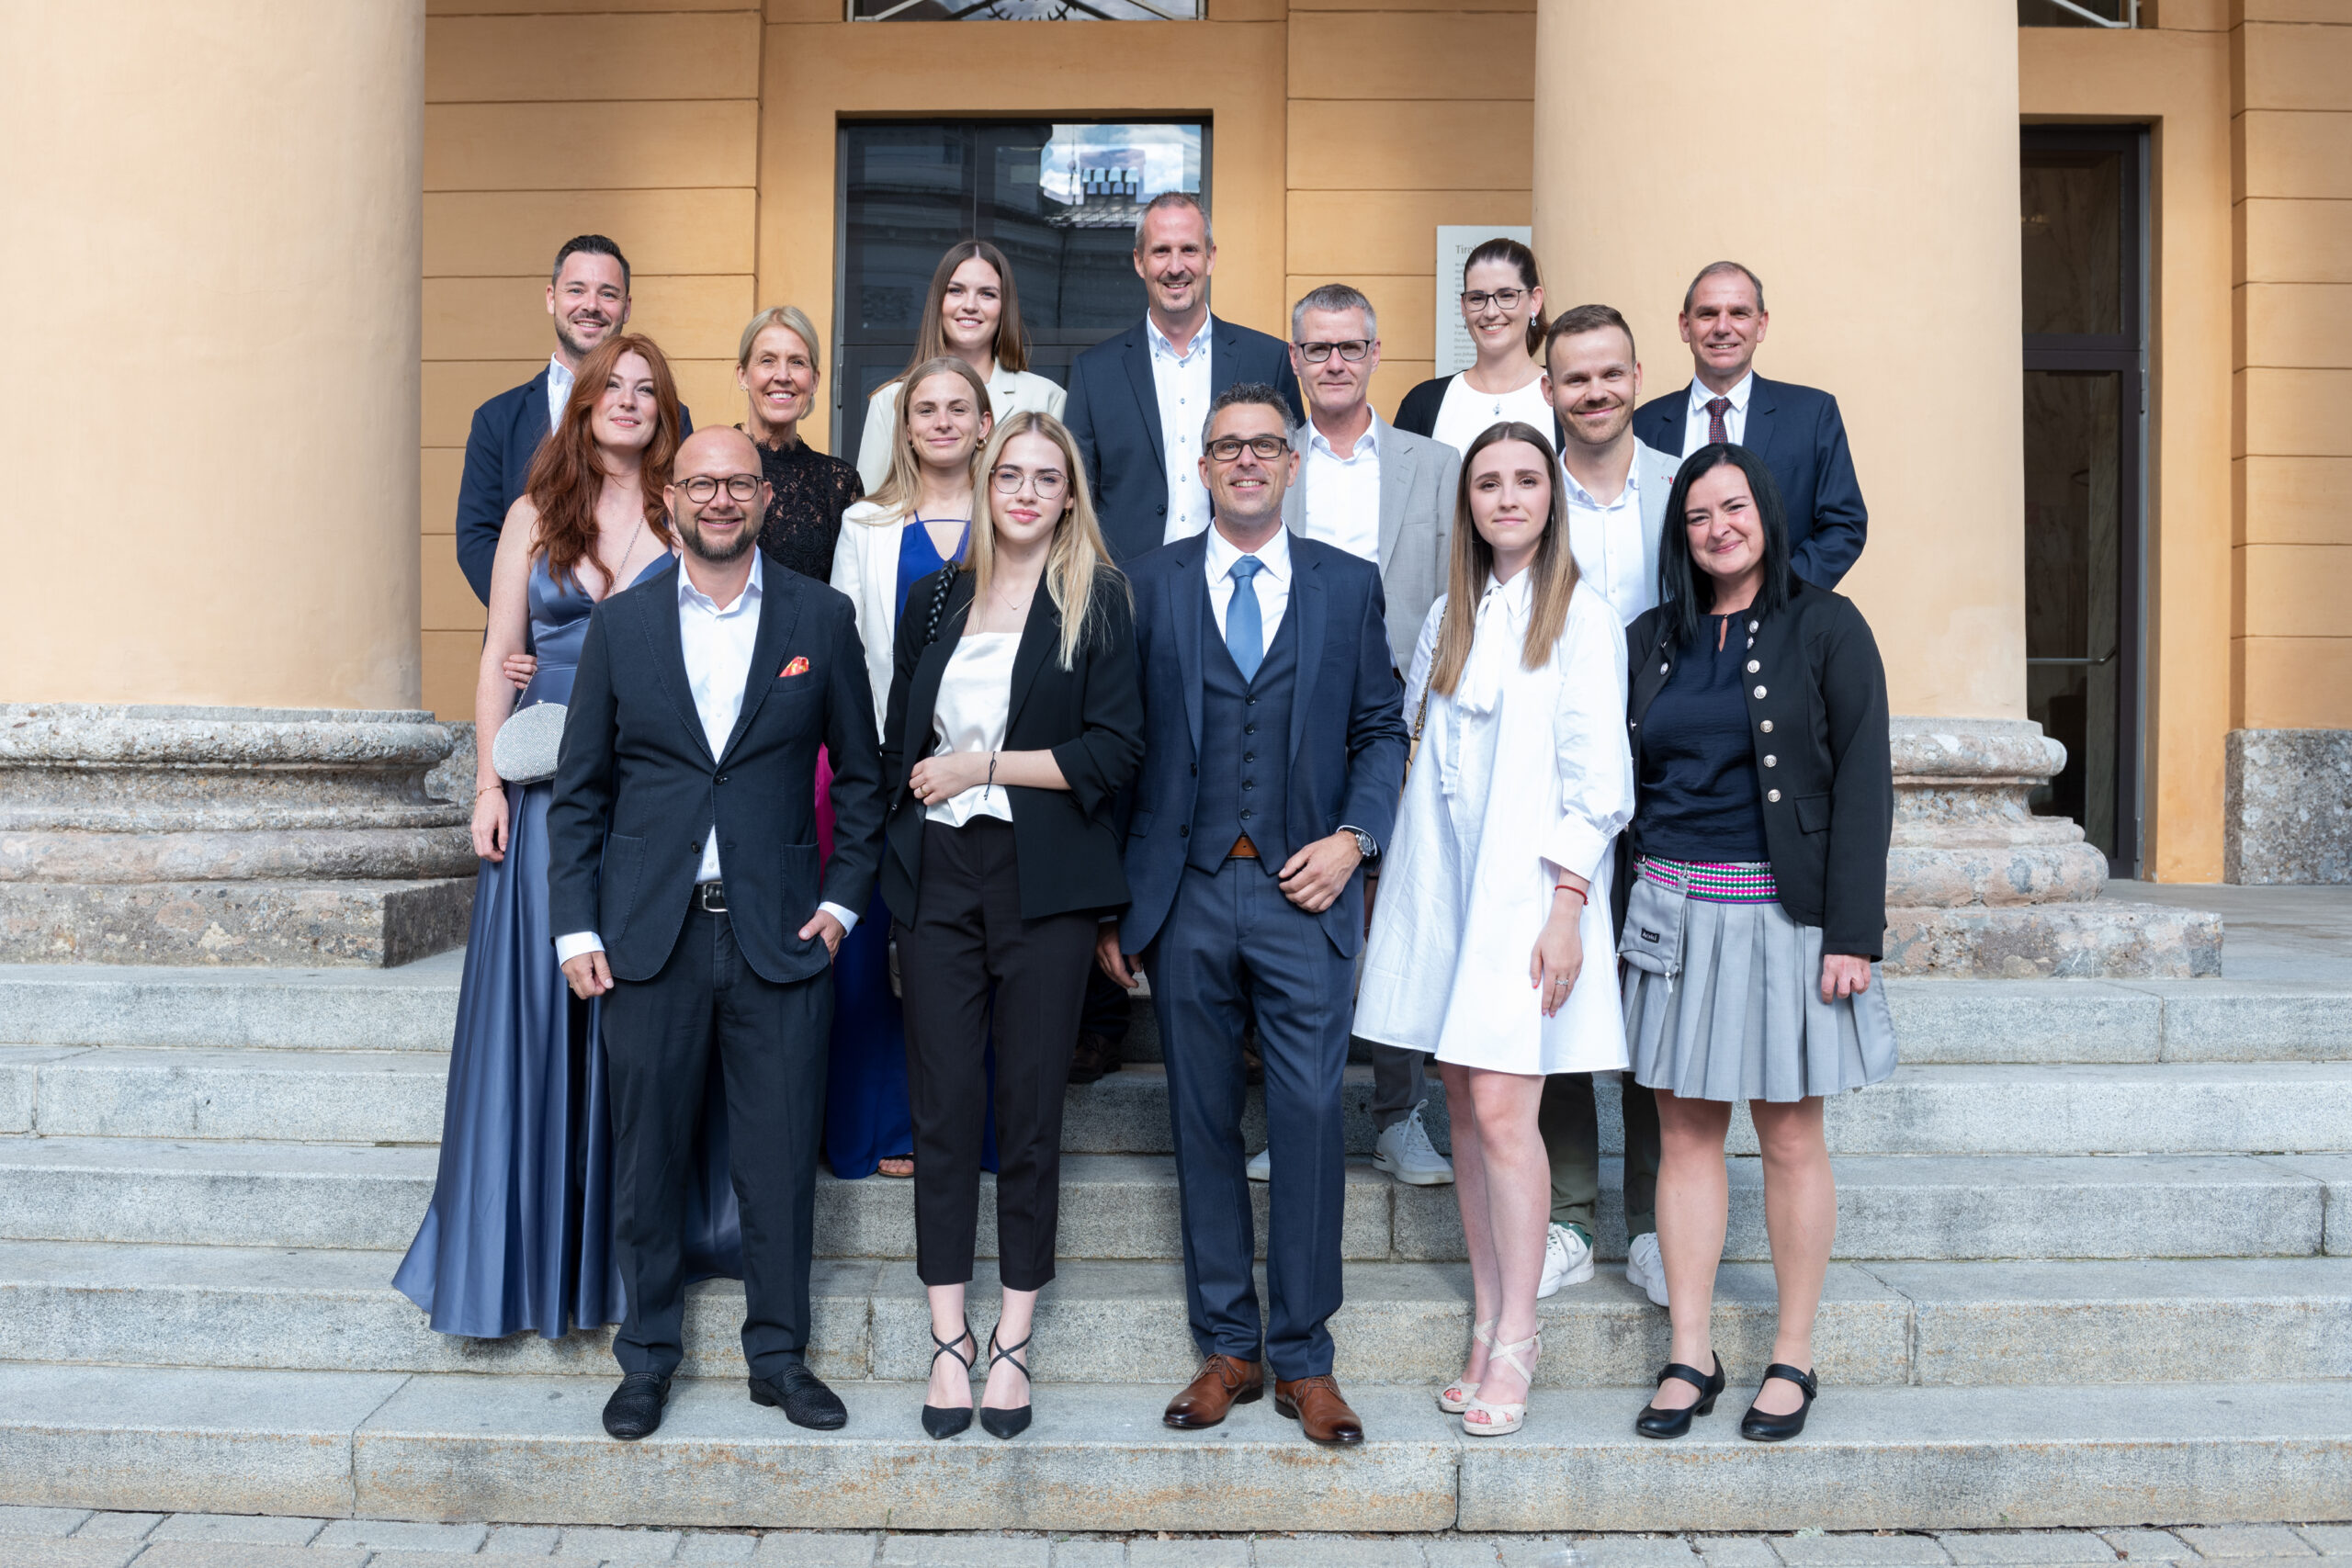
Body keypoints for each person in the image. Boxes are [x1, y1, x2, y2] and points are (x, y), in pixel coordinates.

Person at [547, 425, 888, 1443]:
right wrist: (574, 929)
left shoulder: (819, 620)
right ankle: (646, 1359)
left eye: (741, 481)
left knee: (780, 1162)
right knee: (647, 1159)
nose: (723, 498)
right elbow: (580, 795)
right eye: (703, 483)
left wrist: (840, 906)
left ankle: (778, 1357)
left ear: (765, 500)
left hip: (780, 938)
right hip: (648, 937)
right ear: (672, 499)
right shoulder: (623, 623)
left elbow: (863, 785)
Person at [397, 333, 732, 1337]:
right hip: (543, 800)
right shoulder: (534, 515)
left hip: (647, 805)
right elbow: (501, 651)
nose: (628, 401)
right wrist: (487, 783)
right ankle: (524, 1257)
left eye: (646, 390)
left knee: (631, 1031)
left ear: (663, 411)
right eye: (610, 387)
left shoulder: (685, 522)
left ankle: (624, 1263)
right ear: (582, 403)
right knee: (539, 1029)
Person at [1100, 383, 1408, 1448]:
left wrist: (1354, 841)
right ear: (1202, 466)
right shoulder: (1148, 584)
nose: (1244, 461)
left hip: (1303, 893)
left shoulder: (1345, 585)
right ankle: (1228, 1345)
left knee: (1314, 1116)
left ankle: (1306, 1358)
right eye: (1225, 446)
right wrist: (1117, 900)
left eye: (1262, 447)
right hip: (1184, 892)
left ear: (1292, 465)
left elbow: (1381, 729)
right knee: (1198, 1115)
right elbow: (1120, 746)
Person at [1357, 421, 1633, 1438]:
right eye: (1488, 484)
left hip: (1529, 901)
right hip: (1447, 898)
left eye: (1526, 481)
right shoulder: (1448, 616)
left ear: (1551, 498)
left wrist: (1568, 908)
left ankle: (1520, 1335)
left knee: (1509, 1120)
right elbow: (1424, 767)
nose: (1507, 498)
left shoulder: (1580, 617)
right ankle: (1486, 1320)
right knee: (1465, 1117)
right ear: (1467, 503)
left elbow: (1599, 781)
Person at [1619, 443, 1895, 1445]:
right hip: (1671, 915)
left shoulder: (1825, 625)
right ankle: (1689, 1350)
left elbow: (1865, 781)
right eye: (1697, 516)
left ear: (1766, 516)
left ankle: (1793, 1354)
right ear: (1679, 534)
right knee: (1686, 1137)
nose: (1717, 528)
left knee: (1787, 1135)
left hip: (1786, 919)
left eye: (1733, 507)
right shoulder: (1651, 637)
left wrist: (1851, 933)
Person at [883, 411, 1144, 1441]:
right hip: (937, 872)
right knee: (943, 1108)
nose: (1027, 491)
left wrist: (982, 765)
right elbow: (902, 731)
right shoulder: (934, 594)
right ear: (986, 486)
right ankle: (948, 1338)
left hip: (1045, 882)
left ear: (1071, 495)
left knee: (1030, 1112)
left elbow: (1113, 753)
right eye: (1011, 475)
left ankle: (1014, 1341)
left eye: (1048, 477)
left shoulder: (1098, 601)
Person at [1062, 191, 1302, 1085]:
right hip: (1128, 608)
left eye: (1188, 250)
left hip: (1236, 594)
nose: (1173, 265)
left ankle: (1241, 1013)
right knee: (1122, 785)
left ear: (1210, 255)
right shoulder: (1094, 369)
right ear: (1137, 262)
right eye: (1158, 251)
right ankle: (1102, 1009)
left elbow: (1282, 473)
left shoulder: (1263, 357)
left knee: (1235, 785)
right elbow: (1080, 503)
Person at [1267, 281, 1461, 1190]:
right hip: (1291, 720)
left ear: (1377, 355)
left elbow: (1464, 591)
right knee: (1287, 906)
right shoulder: (1269, 460)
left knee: (1401, 916)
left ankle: (1396, 1114)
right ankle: (1284, 1115)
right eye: (1317, 349)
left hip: (1405, 721)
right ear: (1294, 359)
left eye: (1350, 347)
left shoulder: (1437, 464)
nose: (1334, 362)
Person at [1532, 304, 1685, 1307]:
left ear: (1638, 375)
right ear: (1547, 390)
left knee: (1654, 993)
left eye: (1609, 374)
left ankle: (1654, 1222)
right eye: (1573, 378)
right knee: (1558, 990)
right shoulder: (1520, 483)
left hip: (1673, 773)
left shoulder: (1681, 488)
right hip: (1553, 776)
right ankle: (1570, 1215)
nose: (1593, 392)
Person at [829, 356, 998, 1181]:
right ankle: (885, 1121)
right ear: (904, 426)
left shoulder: (1012, 513)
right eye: (924, 408)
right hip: (887, 764)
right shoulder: (864, 523)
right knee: (874, 955)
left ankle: (974, 1131)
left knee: (973, 958)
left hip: (994, 773)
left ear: (984, 423)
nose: (940, 421)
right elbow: (843, 648)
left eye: (956, 407)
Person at [455, 236, 692, 605]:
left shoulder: (669, 416)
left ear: (627, 307)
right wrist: (540, 620)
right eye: (576, 290)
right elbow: (477, 540)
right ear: (551, 297)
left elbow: (680, 529)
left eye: (608, 294)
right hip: (534, 652)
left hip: (640, 638)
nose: (591, 306)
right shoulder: (496, 419)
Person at [1630, 261, 1866, 589]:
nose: (1723, 327)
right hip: (1675, 624)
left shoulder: (1812, 414)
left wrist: (1778, 596)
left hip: (1781, 623)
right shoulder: (1643, 425)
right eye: (1708, 314)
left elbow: (1844, 525)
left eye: (1739, 313)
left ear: (1761, 325)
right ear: (1685, 326)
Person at [853, 242, 1066, 493]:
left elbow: (1056, 504)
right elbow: (871, 512)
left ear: (1004, 307)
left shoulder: (1046, 398)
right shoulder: (890, 401)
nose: (970, 305)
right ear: (937, 302)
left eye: (987, 294)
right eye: (956, 290)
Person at [1393, 238, 1552, 458]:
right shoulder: (1423, 404)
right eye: (1477, 298)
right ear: (1463, 307)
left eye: (1506, 296)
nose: (1490, 312)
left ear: (1534, 301)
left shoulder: (1563, 397)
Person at [737, 304, 863, 582]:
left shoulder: (839, 484)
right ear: (743, 375)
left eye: (797, 362)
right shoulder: (708, 465)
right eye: (767, 360)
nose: (783, 376)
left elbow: (848, 595)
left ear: (815, 380)